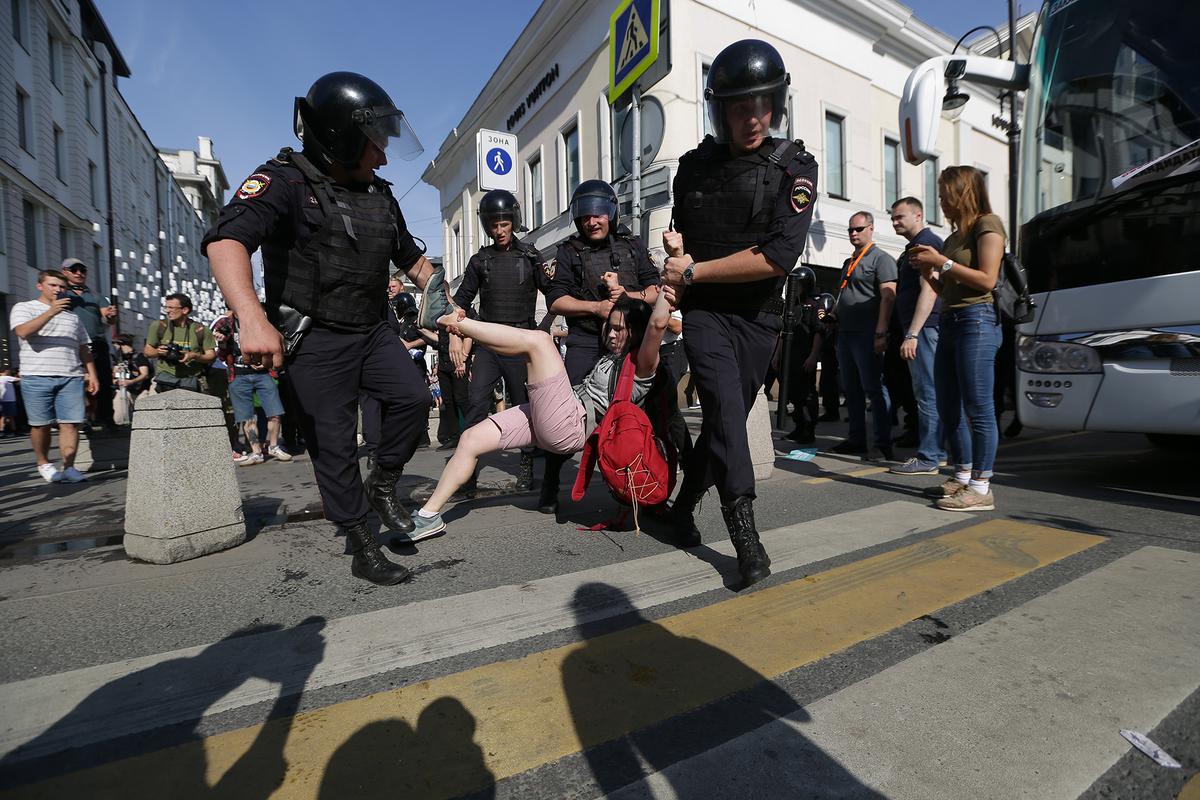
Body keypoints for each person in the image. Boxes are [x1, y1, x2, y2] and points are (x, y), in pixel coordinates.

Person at [203, 71, 436, 586]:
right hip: (314, 337)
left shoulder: (379, 194)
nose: (383, 156)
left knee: (413, 401)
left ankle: (383, 485)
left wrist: (454, 303)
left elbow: (416, 266)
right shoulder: (283, 180)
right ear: (341, 137)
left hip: (371, 330)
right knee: (334, 446)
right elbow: (226, 242)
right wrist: (251, 318)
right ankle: (360, 541)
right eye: (376, 144)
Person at [662, 39, 818, 588]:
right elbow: (682, 247)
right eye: (739, 107)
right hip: (706, 315)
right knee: (727, 413)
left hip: (759, 320)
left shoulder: (794, 169)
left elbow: (778, 257)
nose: (752, 119)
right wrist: (677, 256)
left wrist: (690, 271)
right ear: (720, 110)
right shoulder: (692, 169)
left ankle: (681, 511)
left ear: (776, 105)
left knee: (721, 428)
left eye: (762, 106)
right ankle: (744, 538)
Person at [404, 290, 671, 541]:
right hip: (558, 413)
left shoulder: (643, 364)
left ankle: (448, 320)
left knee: (540, 341)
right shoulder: (612, 355)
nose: (611, 334)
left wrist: (672, 281)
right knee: (472, 438)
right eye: (609, 326)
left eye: (619, 329)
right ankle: (429, 516)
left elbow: (657, 325)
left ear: (636, 332)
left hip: (572, 425)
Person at [542, 180, 660, 513]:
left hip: (629, 339)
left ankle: (636, 480)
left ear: (610, 213)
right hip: (584, 339)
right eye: (585, 217)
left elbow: (654, 288)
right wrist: (596, 308)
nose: (591, 222)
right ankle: (551, 480)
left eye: (598, 215)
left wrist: (626, 299)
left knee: (641, 413)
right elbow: (556, 300)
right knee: (567, 413)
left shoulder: (632, 245)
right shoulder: (568, 250)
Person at [907, 165, 1003, 512]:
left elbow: (987, 280)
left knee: (978, 406)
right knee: (949, 405)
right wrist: (929, 272)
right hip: (950, 320)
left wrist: (943, 263)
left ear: (962, 193)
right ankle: (962, 476)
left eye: (945, 195)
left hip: (977, 319)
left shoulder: (987, 224)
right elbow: (944, 286)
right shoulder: (952, 239)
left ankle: (981, 485)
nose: (942, 202)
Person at [453, 189, 553, 492]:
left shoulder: (533, 256)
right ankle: (466, 471)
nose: (499, 231)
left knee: (523, 406)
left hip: (520, 342)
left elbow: (556, 294)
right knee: (476, 404)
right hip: (488, 345)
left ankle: (526, 465)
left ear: (514, 221)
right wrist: (455, 336)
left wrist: (542, 332)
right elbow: (461, 304)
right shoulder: (479, 261)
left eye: (505, 224)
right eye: (494, 225)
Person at [10, 270, 100, 482]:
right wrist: (51, 312)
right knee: (40, 424)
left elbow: (84, 348)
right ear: (40, 286)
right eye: (53, 285)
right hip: (36, 374)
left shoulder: (72, 317)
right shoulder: (24, 307)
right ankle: (43, 462)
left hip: (71, 375)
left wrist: (92, 374)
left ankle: (69, 467)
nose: (59, 290)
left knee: (71, 423)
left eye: (62, 287)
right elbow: (23, 332)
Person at [826, 211, 897, 462]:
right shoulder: (849, 262)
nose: (853, 234)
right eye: (850, 230)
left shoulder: (881, 259)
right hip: (845, 333)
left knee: (874, 389)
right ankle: (856, 439)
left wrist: (881, 331)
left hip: (868, 334)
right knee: (852, 390)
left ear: (871, 229)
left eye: (858, 229)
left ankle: (882, 443)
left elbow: (888, 296)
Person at [888, 197, 946, 476]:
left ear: (919, 215)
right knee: (930, 391)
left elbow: (930, 289)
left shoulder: (925, 243)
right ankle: (938, 452)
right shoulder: (916, 245)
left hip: (924, 330)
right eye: (893, 217)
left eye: (900, 217)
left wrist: (912, 333)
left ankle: (929, 456)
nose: (894, 221)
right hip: (924, 330)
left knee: (928, 393)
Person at [216, 309, 293, 466]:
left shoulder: (261, 320)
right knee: (247, 417)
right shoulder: (226, 324)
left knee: (275, 412)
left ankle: (273, 446)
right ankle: (256, 451)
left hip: (263, 373)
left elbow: (275, 343)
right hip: (238, 375)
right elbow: (222, 354)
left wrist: (266, 362)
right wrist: (221, 341)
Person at [59, 258, 118, 430]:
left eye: (82, 270)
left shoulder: (95, 295)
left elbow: (108, 318)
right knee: (77, 382)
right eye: (74, 269)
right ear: (64, 272)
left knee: (104, 382)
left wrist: (111, 315)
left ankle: (106, 418)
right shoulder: (61, 293)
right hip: (72, 344)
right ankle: (82, 418)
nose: (79, 273)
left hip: (96, 342)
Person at [144, 293, 217, 392]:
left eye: (171, 308)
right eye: (166, 307)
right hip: (164, 378)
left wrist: (194, 355)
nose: (167, 311)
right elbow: (147, 352)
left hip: (191, 380)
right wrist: (159, 352)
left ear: (185, 310)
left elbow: (211, 356)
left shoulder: (200, 330)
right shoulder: (159, 326)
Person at [113, 334, 152, 405]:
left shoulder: (139, 357)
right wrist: (115, 378)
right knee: (119, 403)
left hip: (141, 391)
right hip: (126, 391)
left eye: (116, 344)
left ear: (122, 344)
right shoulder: (118, 358)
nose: (115, 347)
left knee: (141, 407)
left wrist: (131, 382)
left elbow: (145, 374)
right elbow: (113, 375)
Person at [1, 369, 20, 437]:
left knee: (4, 416)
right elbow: (19, 379)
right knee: (8, 416)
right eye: (7, 371)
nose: (9, 372)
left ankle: (4, 431)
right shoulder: (6, 377)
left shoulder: (3, 378)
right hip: (8, 400)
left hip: (5, 400)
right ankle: (10, 431)